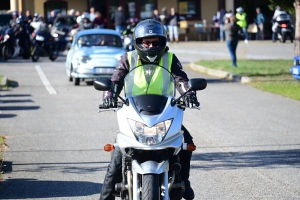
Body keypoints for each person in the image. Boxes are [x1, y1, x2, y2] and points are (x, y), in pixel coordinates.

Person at [99, 19, 199, 200]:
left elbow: (181, 80)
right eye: (147, 42)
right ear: (138, 42)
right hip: (135, 113)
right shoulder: (128, 59)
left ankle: (184, 181)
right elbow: (115, 80)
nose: (151, 45)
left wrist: (189, 94)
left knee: (186, 142)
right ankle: (105, 196)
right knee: (118, 152)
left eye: (155, 42)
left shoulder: (170, 59)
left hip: (163, 112)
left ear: (162, 42)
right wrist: (109, 97)